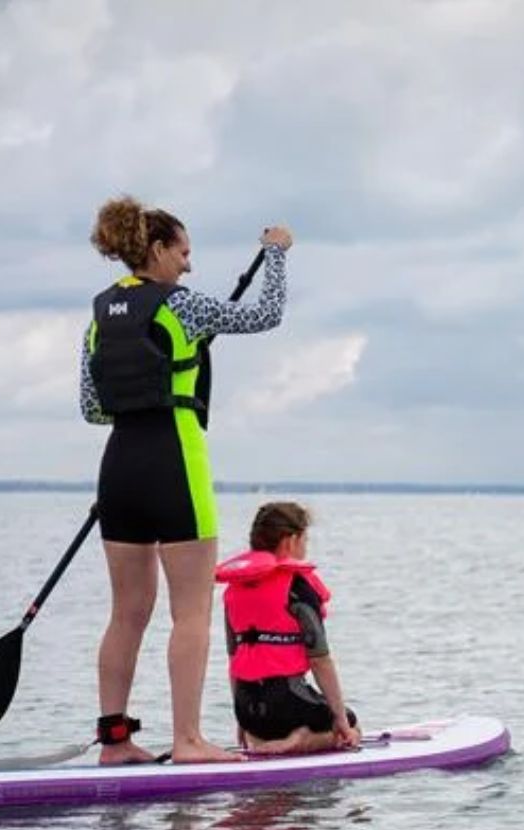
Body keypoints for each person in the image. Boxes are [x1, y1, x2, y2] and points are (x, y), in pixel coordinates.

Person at [82, 195, 293, 764]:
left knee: (126, 614)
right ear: (156, 250)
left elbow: (92, 408)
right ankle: (189, 740)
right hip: (175, 462)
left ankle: (115, 745)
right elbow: (265, 315)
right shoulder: (185, 306)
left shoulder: (100, 314)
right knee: (191, 611)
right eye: (183, 253)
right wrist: (276, 255)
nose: (189, 266)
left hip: (119, 466)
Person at [214, 501, 361, 755]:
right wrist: (340, 719)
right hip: (288, 703)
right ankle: (299, 741)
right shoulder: (298, 587)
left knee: (265, 728)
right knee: (353, 726)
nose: (305, 546)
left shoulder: (234, 589)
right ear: (291, 540)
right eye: (305, 539)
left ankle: (261, 740)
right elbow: (320, 660)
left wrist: (242, 718)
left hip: (247, 708)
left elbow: (235, 657)